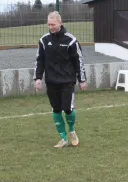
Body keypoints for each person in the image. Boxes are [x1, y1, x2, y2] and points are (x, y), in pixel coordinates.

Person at [33, 11, 87, 148]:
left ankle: (72, 131)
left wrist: (82, 79)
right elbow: (40, 60)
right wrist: (38, 78)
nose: (51, 27)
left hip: (67, 81)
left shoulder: (71, 40)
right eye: (49, 24)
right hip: (51, 82)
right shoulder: (43, 41)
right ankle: (63, 138)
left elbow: (78, 61)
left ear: (60, 23)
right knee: (56, 109)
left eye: (53, 24)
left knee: (68, 108)